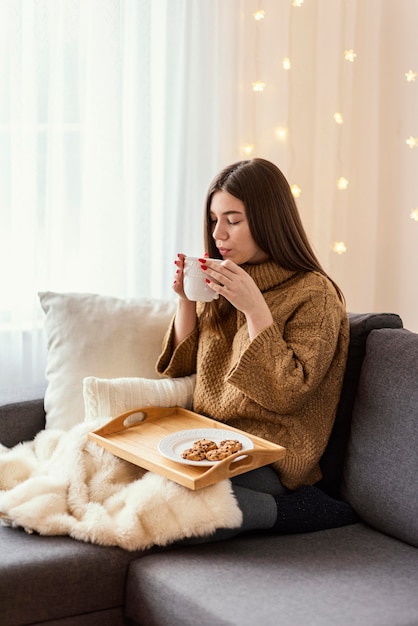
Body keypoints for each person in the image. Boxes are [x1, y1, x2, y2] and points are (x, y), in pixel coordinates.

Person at [157, 158, 358, 540]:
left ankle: (297, 511)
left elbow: (288, 393)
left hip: (273, 458)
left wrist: (254, 308)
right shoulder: (222, 280)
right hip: (213, 442)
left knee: (186, 513)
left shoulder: (315, 294)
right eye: (214, 219)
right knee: (141, 476)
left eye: (233, 220)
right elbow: (180, 366)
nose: (219, 233)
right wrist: (186, 300)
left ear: (269, 221)